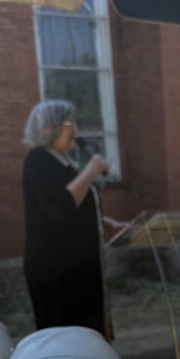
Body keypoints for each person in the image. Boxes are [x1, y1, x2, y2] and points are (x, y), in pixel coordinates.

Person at [21, 100, 112, 337]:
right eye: (70, 124)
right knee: (65, 336)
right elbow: (59, 206)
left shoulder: (65, 164)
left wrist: (109, 224)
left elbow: (79, 208)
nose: (76, 131)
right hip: (55, 271)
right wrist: (90, 172)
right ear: (50, 127)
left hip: (77, 266)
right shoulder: (38, 161)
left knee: (85, 332)